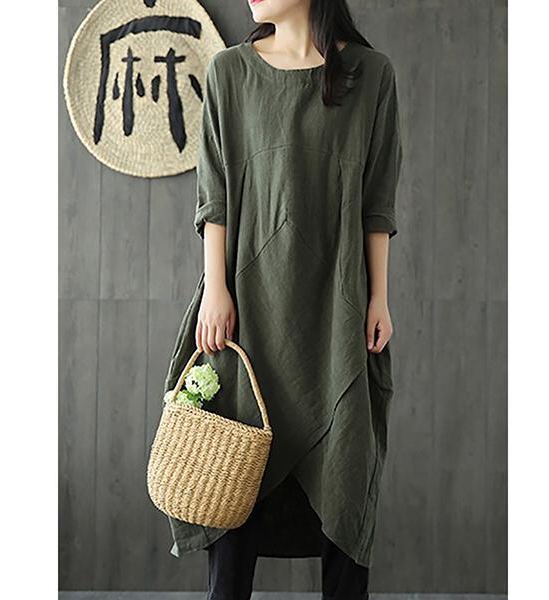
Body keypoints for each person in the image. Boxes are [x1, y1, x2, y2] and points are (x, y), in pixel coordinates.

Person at [162, 1, 403, 598]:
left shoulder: (371, 75)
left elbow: (377, 200)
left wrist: (379, 297)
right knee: (231, 504)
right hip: (248, 311)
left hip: (337, 316)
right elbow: (214, 195)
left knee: (345, 487)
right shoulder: (230, 72)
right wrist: (215, 288)